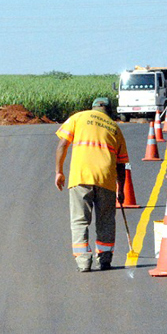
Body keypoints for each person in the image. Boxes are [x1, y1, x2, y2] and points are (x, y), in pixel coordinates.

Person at [55, 97, 129, 272]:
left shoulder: (78, 118)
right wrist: (121, 188)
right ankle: (104, 259)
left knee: (80, 221)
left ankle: (83, 261)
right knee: (106, 221)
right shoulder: (115, 128)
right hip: (106, 179)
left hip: (81, 177)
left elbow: (62, 145)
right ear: (109, 111)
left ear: (93, 107)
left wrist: (59, 171)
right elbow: (122, 164)